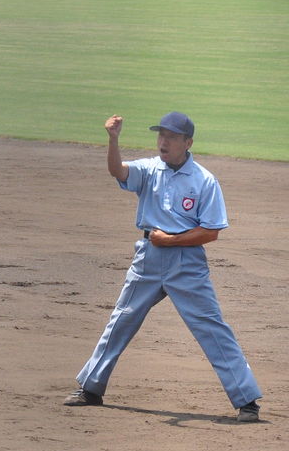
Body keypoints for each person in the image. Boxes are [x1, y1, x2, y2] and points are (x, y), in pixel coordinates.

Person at [64, 112, 262, 422]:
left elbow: (211, 231)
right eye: (161, 135)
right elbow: (117, 171)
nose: (163, 142)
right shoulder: (148, 169)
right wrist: (113, 140)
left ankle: (246, 399)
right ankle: (91, 387)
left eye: (171, 137)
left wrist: (171, 240)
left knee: (211, 327)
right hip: (148, 259)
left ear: (187, 143)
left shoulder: (204, 180)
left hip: (187, 263)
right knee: (121, 320)